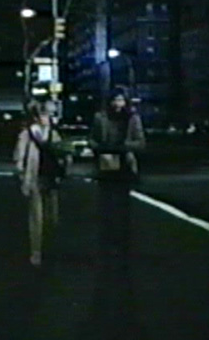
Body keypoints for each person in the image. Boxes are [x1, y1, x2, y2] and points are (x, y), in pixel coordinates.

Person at [86, 87, 146, 339]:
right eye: (115, 100)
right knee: (106, 208)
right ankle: (108, 246)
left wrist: (123, 147)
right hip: (105, 166)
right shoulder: (100, 117)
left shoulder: (132, 118)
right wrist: (100, 147)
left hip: (123, 166)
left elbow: (141, 143)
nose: (118, 104)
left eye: (121, 100)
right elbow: (91, 140)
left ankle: (122, 246)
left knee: (122, 207)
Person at [13, 101, 62, 267]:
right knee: (36, 218)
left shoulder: (53, 134)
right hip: (35, 178)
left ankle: (49, 248)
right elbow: (19, 157)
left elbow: (62, 154)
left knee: (52, 217)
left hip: (50, 178)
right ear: (37, 117)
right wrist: (22, 176)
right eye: (44, 115)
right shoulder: (27, 134)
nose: (47, 118)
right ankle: (36, 252)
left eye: (49, 115)